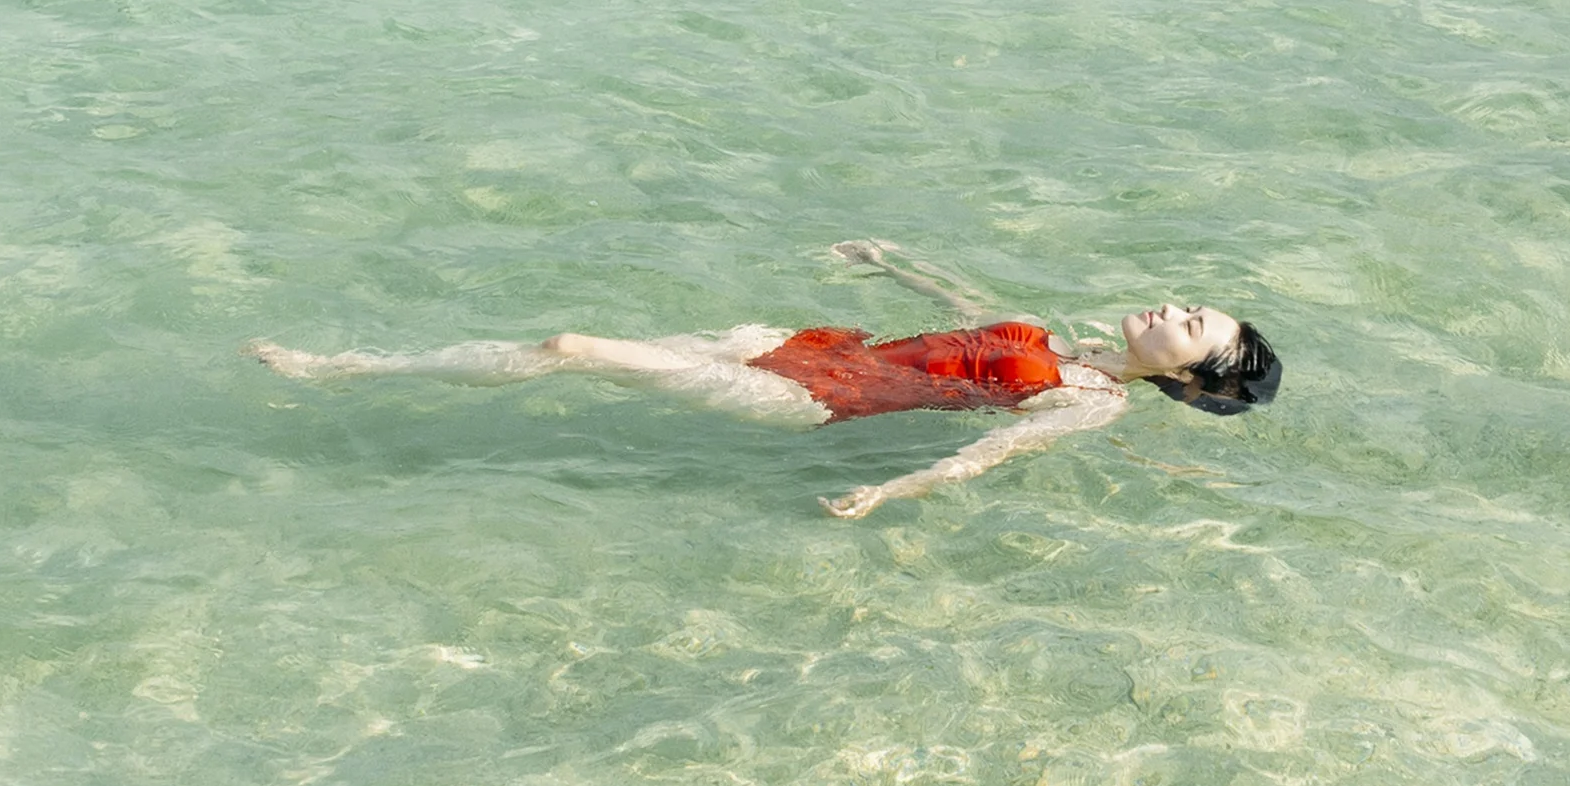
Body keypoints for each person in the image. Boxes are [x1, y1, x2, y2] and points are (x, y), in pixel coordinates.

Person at [254, 239, 1282, 518]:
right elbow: (973, 316)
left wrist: (891, 491)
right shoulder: (1070, 340)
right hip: (815, 346)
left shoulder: (1092, 403)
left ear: (1188, 375)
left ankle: (344, 370)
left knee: (570, 347)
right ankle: (350, 368)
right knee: (567, 345)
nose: (1171, 307)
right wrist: (894, 265)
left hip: (817, 399)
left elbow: (993, 452)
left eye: (1190, 324)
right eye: (1187, 303)